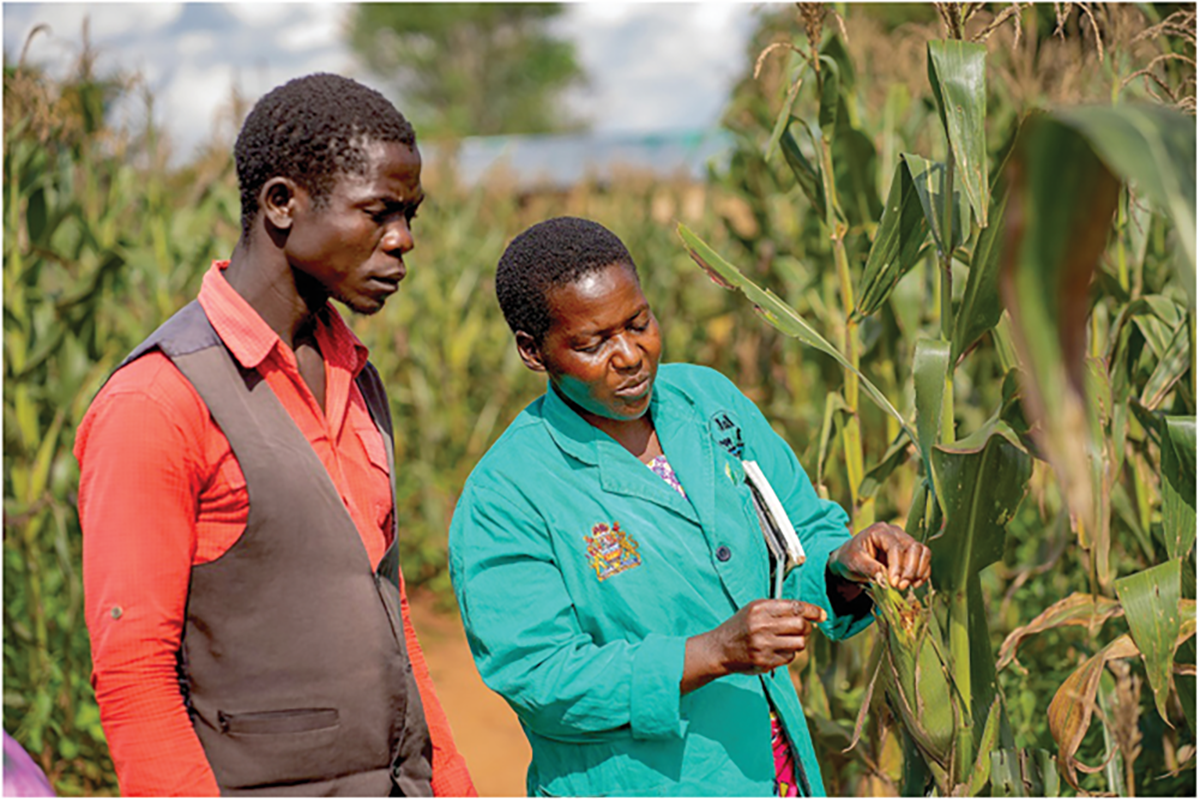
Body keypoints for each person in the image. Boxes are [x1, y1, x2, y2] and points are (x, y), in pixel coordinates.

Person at [75, 73, 475, 797]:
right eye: (380, 212)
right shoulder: (158, 402)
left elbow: (388, 609)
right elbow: (133, 676)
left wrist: (451, 778)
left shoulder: (357, 374)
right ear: (282, 204)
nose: (404, 241)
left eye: (411, 215)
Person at [448, 216, 931, 797]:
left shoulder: (708, 402)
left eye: (639, 322)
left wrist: (845, 565)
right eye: (592, 342)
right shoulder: (507, 493)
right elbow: (540, 676)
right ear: (534, 351)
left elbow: (799, 532)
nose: (629, 355)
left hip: (773, 770)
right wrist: (710, 653)